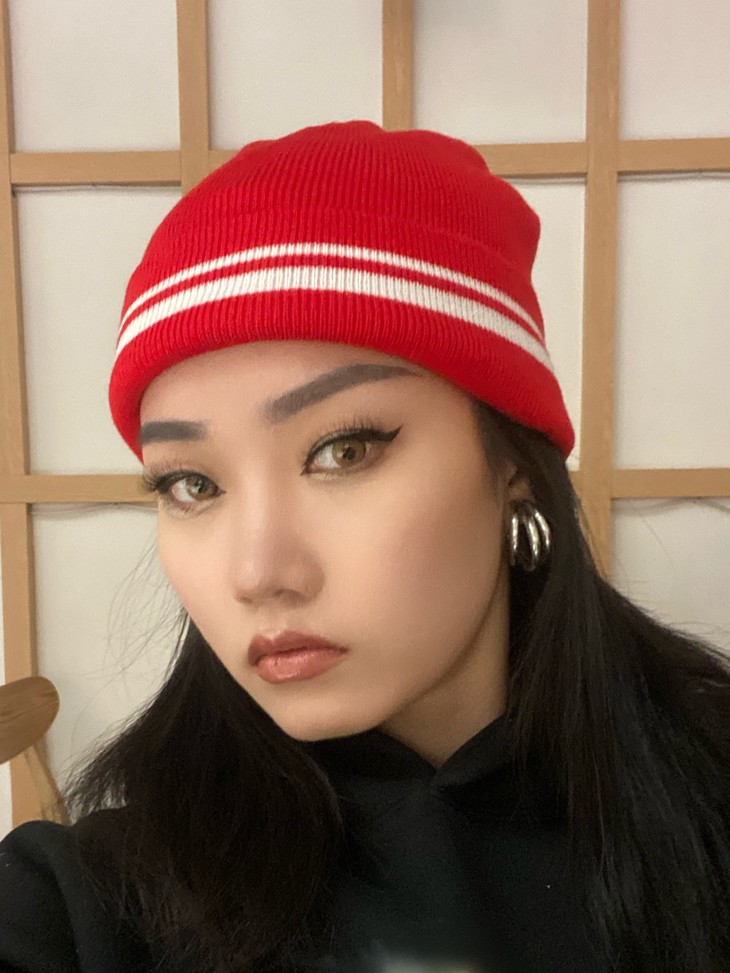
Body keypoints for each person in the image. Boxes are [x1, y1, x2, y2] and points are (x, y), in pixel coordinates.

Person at [0, 119, 728, 973]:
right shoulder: (91, 901)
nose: (258, 572)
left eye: (344, 450)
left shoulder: (704, 810)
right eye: (192, 483)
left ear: (512, 463)